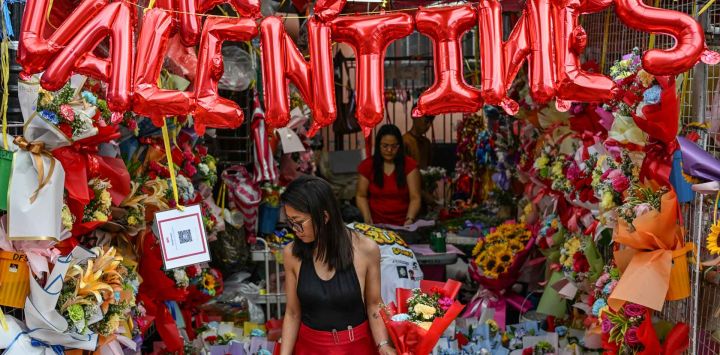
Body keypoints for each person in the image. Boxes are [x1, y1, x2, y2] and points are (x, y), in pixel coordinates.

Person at [279, 176, 396, 355]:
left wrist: (383, 345)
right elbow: (293, 313)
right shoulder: (291, 253)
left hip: (355, 347)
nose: (294, 229)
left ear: (324, 216)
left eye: (299, 222)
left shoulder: (366, 249)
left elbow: (374, 305)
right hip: (310, 348)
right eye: (290, 222)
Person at [356, 124, 422, 226]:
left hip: (403, 225)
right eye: (385, 146)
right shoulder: (367, 165)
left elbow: (415, 197)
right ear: (378, 145)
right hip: (376, 225)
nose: (389, 150)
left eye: (394, 146)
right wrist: (367, 219)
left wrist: (410, 219)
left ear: (399, 146)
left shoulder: (410, 165)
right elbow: (361, 195)